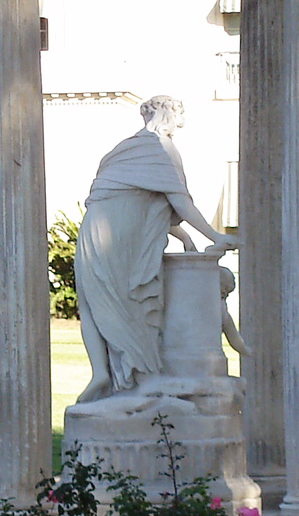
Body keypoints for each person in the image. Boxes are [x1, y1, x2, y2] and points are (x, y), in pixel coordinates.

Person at [74, 95, 236, 403]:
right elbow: (178, 201)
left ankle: (102, 373)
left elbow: (135, 199)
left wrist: (183, 235)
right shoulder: (161, 147)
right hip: (117, 238)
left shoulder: (125, 148)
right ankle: (132, 377)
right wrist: (214, 235)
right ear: (169, 115)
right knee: (123, 304)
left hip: (95, 228)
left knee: (92, 303)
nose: (178, 123)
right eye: (178, 116)